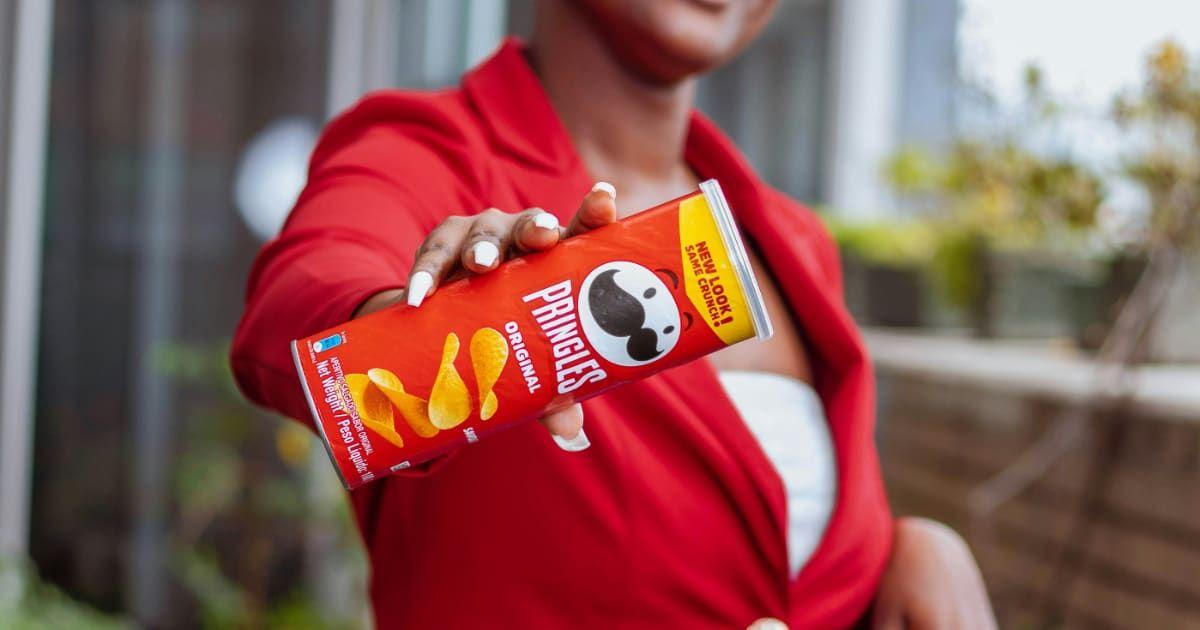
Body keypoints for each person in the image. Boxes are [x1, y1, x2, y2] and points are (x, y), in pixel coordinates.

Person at [232, 1, 996, 627]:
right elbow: (306, 295)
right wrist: (420, 328)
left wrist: (918, 550)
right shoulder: (427, 151)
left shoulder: (795, 243)